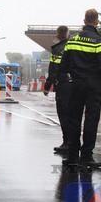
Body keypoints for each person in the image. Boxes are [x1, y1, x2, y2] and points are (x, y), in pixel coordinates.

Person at [61, 9, 101, 169]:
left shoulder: (72, 40)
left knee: (74, 119)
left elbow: (64, 63)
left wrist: (67, 78)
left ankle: (73, 156)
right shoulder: (98, 42)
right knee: (91, 120)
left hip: (76, 84)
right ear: (96, 22)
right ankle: (86, 156)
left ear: (84, 20)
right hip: (93, 85)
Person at [44, 25, 71, 154]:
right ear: (68, 34)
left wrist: (47, 86)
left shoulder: (57, 49)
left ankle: (67, 143)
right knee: (74, 116)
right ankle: (74, 143)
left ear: (58, 35)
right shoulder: (73, 47)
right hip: (76, 85)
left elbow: (53, 69)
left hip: (63, 85)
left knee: (63, 114)